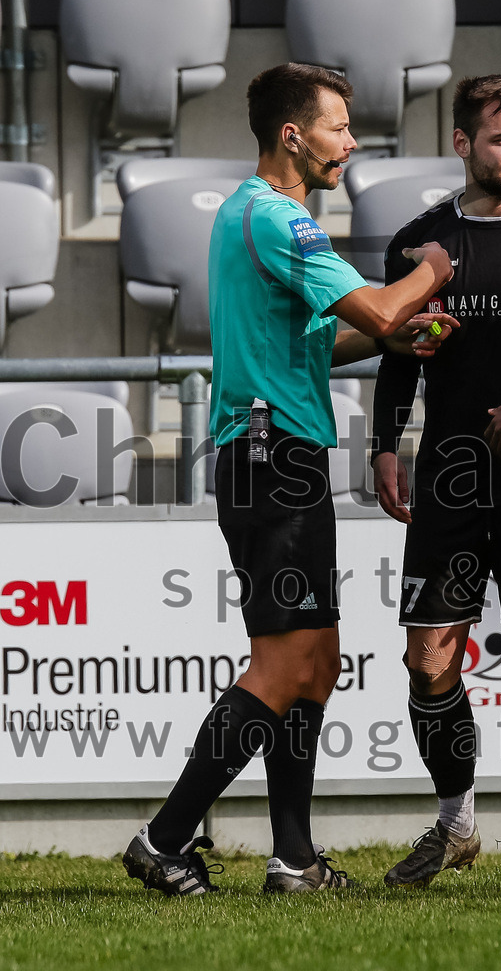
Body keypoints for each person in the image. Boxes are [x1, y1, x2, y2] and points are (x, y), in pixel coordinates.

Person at [122, 62, 455, 896]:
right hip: (272, 457)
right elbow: (378, 307)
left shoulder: (255, 216)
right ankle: (164, 840)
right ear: (293, 135)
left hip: (277, 453)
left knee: (318, 661)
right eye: (339, 127)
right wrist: (433, 270)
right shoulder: (278, 217)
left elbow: (325, 340)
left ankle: (295, 857)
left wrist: (396, 337)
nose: (352, 142)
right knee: (281, 666)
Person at [370, 75, 501, 888]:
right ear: (463, 144)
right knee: (429, 660)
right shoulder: (420, 243)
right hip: (451, 476)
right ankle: (456, 821)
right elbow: (397, 350)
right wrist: (385, 444)